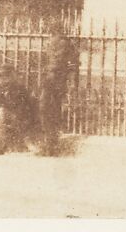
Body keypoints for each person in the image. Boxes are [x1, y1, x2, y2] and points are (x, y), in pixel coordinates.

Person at [36, 27, 78, 156]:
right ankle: (50, 142)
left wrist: (71, 82)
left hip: (57, 81)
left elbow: (72, 66)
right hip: (49, 81)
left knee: (51, 110)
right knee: (47, 110)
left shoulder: (66, 44)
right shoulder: (51, 43)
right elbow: (43, 63)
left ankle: (51, 143)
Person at [0, 63, 37, 156]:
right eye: (2, 76)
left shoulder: (18, 88)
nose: (4, 79)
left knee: (2, 112)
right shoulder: (2, 88)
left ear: (12, 76)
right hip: (8, 118)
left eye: (7, 75)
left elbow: (17, 108)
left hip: (21, 119)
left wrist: (0, 103)